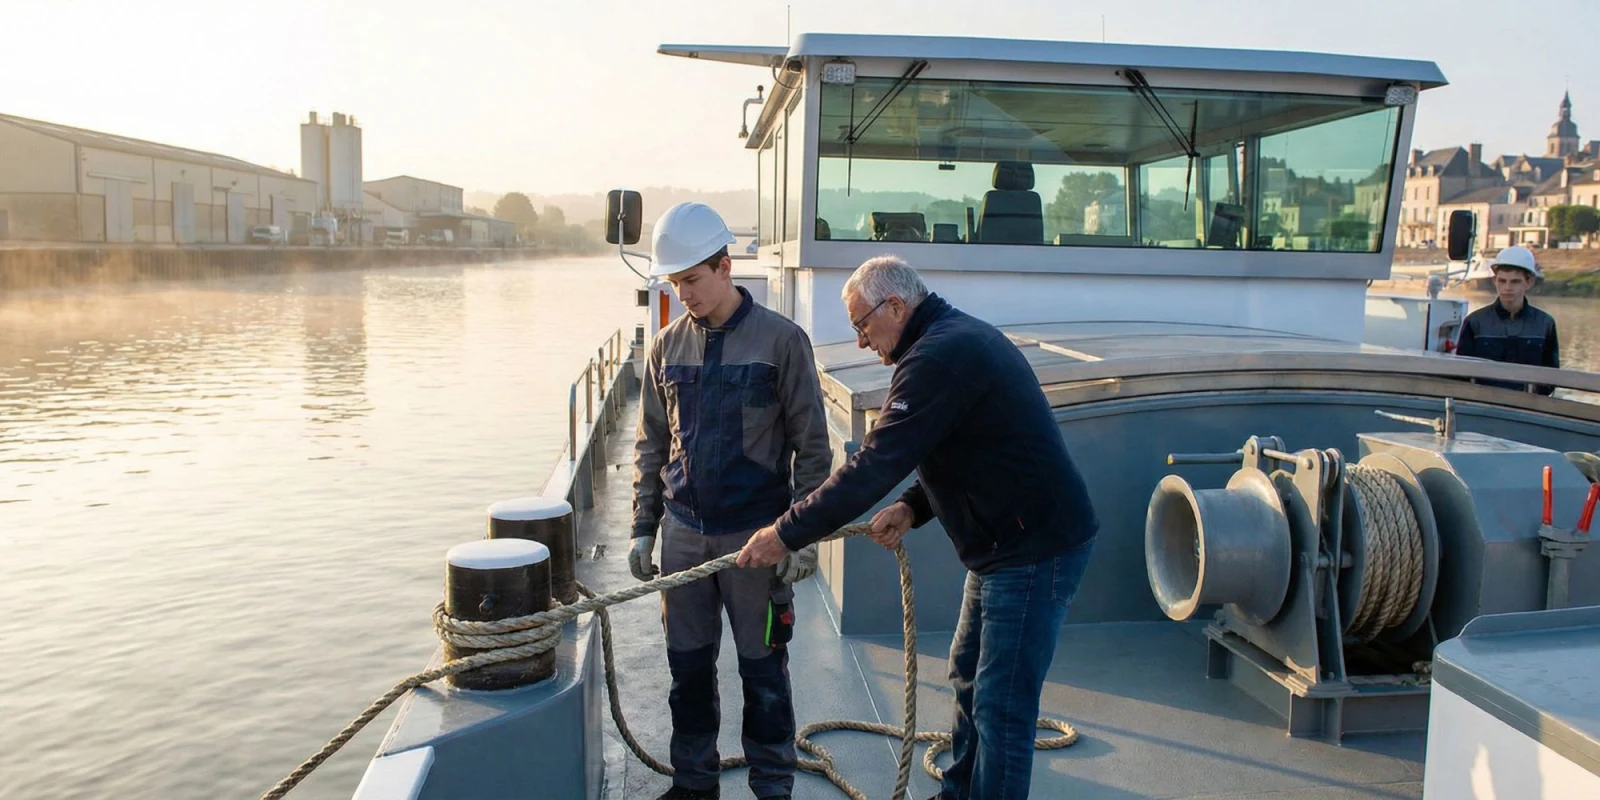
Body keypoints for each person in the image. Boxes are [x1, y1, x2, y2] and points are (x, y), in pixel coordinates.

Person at [735, 255, 1099, 800]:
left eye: (862, 324)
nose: (860, 341)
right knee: (969, 676)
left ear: (897, 306)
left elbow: (873, 465)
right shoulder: (948, 343)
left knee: (1001, 707)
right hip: (1004, 546)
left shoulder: (939, 356)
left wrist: (785, 532)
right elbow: (963, 445)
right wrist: (913, 506)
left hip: (1032, 551)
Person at [628, 201, 831, 800]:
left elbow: (811, 448)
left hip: (757, 541)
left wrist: (802, 534)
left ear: (725, 266)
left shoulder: (783, 343)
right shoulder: (666, 348)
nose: (683, 293)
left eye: (692, 279)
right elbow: (651, 443)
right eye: (674, 282)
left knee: (764, 672)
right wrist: (644, 526)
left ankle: (773, 787)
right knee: (687, 672)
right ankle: (695, 786)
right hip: (685, 536)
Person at [1455, 245, 1560, 395]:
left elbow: (1551, 376)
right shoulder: (1474, 322)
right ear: (1494, 281)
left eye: (1515, 282)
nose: (1507, 288)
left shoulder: (1545, 324)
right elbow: (1461, 373)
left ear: (1529, 282)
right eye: (1502, 281)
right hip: (1483, 406)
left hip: (1529, 408)